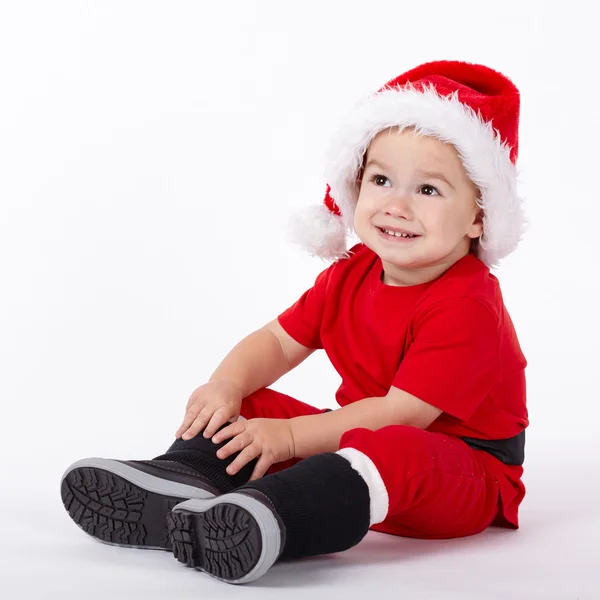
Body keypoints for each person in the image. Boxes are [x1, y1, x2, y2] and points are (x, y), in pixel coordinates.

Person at [60, 60, 529, 585]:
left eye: (428, 191)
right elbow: (278, 343)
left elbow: (403, 414)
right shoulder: (352, 273)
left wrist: (287, 438)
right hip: (361, 444)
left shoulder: (468, 304)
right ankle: (186, 483)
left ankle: (278, 519)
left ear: (478, 218)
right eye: (381, 180)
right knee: (251, 406)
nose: (396, 205)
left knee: (390, 445)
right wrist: (227, 386)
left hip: (462, 474)